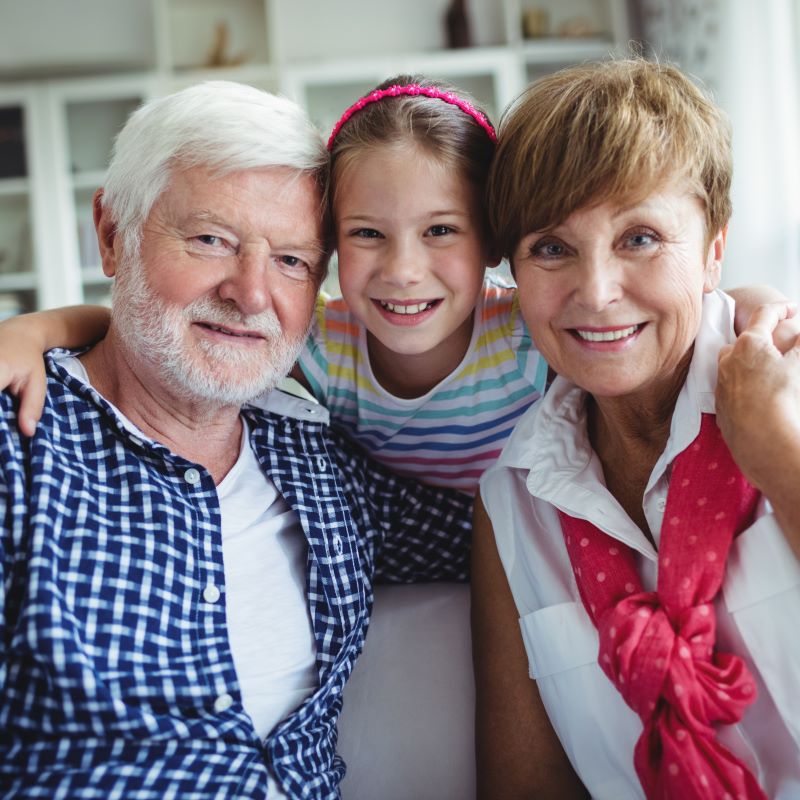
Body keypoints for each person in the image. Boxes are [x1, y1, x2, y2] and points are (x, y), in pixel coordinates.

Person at [0, 80, 472, 800]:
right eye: (211, 240)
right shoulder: (21, 445)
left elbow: (507, 535)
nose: (252, 295)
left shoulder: (319, 461)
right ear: (110, 234)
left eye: (290, 260)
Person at [472, 59, 800, 800]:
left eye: (641, 238)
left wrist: (777, 449)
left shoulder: (792, 390)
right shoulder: (512, 506)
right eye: (551, 248)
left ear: (715, 248)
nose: (596, 292)